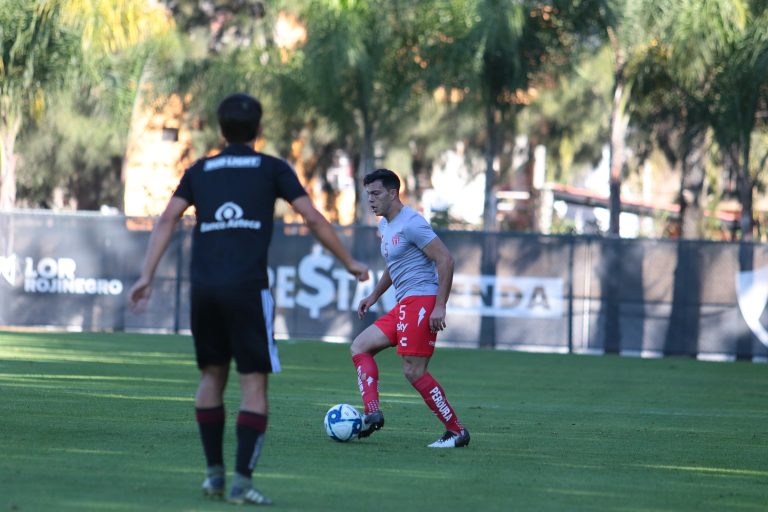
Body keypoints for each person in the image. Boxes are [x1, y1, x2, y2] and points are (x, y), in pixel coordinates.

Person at [128, 93, 369, 505]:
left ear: (221, 131)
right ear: (259, 131)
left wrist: (146, 275)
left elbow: (168, 217)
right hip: (247, 288)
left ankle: (212, 476)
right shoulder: (273, 168)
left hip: (204, 289)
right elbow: (311, 216)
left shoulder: (199, 170)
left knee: (211, 378)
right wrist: (347, 260)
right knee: (253, 384)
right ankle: (241, 480)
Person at [351, 168, 469, 448]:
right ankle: (372, 413)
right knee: (359, 347)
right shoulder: (385, 226)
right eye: (368, 194)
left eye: (376, 193)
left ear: (393, 193)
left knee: (413, 370)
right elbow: (395, 267)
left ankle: (456, 431)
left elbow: (446, 260)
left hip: (423, 302)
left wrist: (440, 306)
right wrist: (374, 296)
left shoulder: (412, 223)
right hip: (405, 304)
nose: (371, 200)